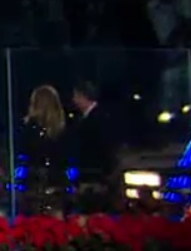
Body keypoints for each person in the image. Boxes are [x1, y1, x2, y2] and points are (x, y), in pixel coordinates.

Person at [69, 80, 120, 212]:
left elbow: (104, 147)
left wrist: (104, 176)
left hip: (95, 178)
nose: (74, 100)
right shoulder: (87, 118)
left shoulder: (98, 118)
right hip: (89, 176)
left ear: (83, 96)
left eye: (75, 96)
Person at [19, 84, 69, 215]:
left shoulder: (29, 128)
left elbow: (24, 152)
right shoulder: (64, 129)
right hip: (58, 182)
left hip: (34, 183)